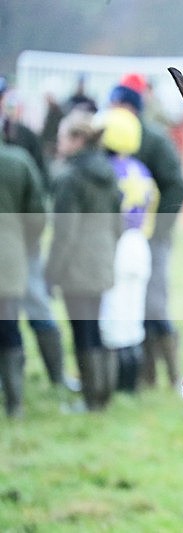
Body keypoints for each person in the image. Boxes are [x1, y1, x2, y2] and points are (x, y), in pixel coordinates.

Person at [108, 73, 183, 389]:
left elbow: (176, 186)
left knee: (154, 304)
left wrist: (156, 229)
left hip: (151, 235)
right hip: (121, 236)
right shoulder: (111, 135)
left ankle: (173, 375)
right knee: (129, 306)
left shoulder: (154, 139)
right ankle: (144, 374)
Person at [0, 76, 73, 393]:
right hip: (17, 239)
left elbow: (39, 185)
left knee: (37, 304)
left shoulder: (22, 134)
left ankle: (57, 377)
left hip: (20, 241)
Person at [46, 109, 121, 411]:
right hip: (102, 261)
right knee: (96, 327)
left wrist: (51, 273)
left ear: (78, 139)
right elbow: (118, 223)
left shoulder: (70, 177)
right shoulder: (108, 172)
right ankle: (102, 393)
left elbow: (64, 232)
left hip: (76, 265)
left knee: (82, 331)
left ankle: (92, 400)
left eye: (62, 136)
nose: (59, 142)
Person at [98, 107, 158, 393]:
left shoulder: (107, 170)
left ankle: (115, 384)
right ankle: (132, 383)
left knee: (112, 314)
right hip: (140, 245)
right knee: (133, 315)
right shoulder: (142, 170)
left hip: (118, 244)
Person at [0, 139, 46, 417]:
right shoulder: (18, 160)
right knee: (8, 327)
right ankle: (14, 404)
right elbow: (37, 214)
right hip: (9, 255)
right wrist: (24, 244)